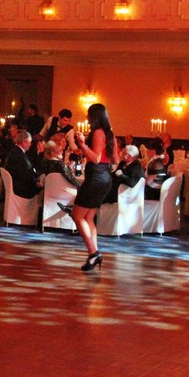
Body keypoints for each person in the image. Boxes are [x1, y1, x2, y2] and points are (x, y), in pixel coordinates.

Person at [71, 103, 117, 272]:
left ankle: (93, 252)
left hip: (95, 178)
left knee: (77, 215)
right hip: (105, 177)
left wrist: (83, 145)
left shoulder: (98, 132)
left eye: (88, 115)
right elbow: (116, 159)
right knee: (89, 217)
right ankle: (94, 253)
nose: (87, 118)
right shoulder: (110, 134)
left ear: (94, 116)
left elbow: (96, 158)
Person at [3, 129, 42, 199]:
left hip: (17, 185)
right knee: (44, 191)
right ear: (24, 142)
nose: (30, 145)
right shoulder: (18, 155)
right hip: (20, 189)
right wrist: (36, 182)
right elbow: (24, 175)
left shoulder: (17, 151)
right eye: (29, 142)